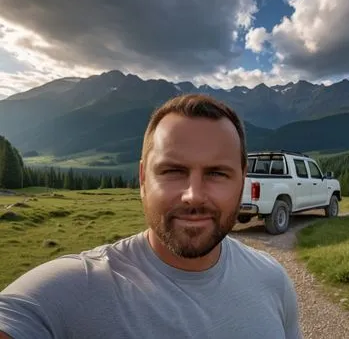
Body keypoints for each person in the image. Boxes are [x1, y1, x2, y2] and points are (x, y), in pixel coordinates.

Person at [0, 93, 303, 339]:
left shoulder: (272, 279)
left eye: (217, 173)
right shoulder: (68, 290)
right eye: (173, 171)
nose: (194, 195)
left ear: (242, 180)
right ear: (144, 179)